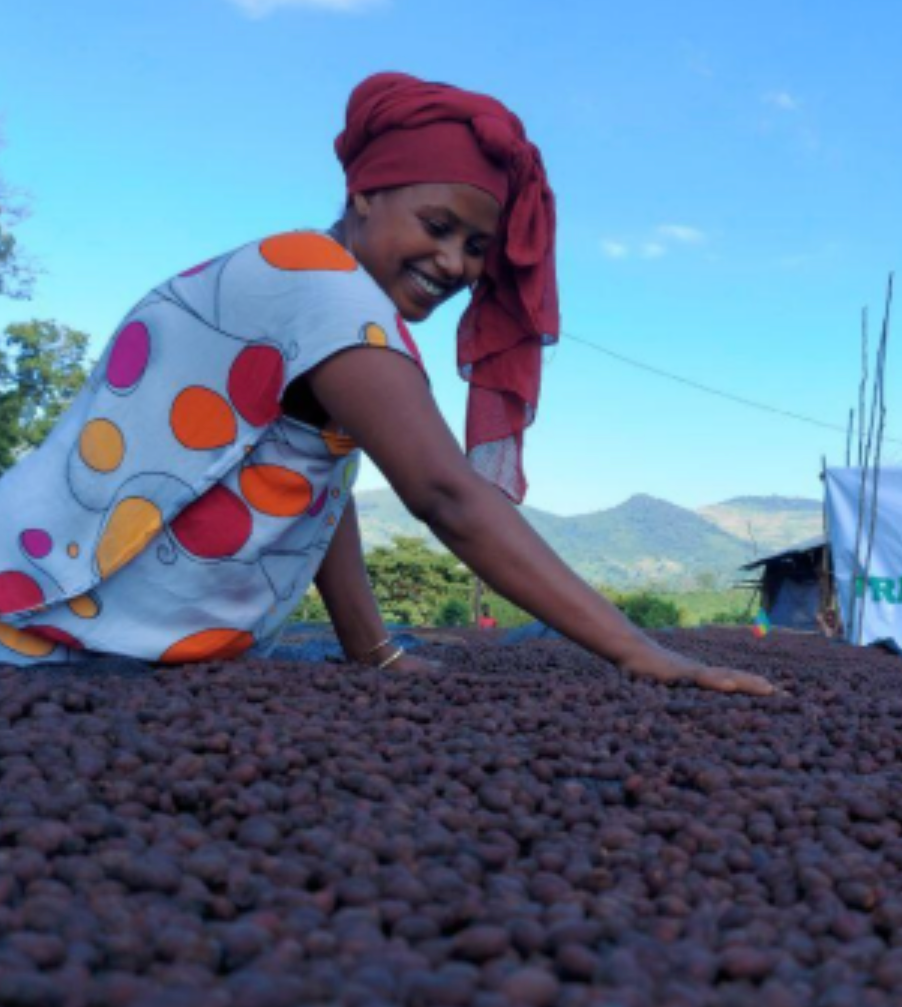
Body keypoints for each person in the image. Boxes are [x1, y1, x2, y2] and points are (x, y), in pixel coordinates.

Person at [0, 72, 772, 696]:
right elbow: (444, 495)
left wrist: (374, 654)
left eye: (477, 248)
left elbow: (314, 492)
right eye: (436, 226)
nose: (456, 265)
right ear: (364, 194)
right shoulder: (322, 286)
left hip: (117, 644)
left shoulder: (335, 303)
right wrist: (640, 654)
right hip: (40, 629)